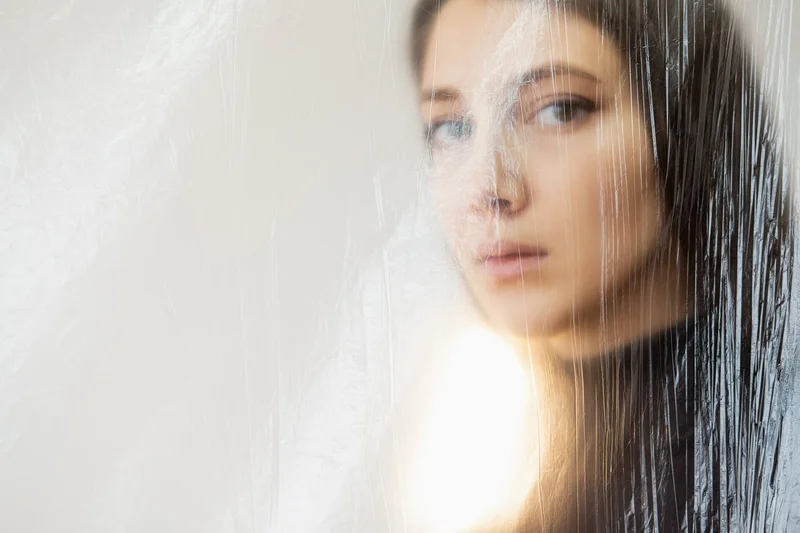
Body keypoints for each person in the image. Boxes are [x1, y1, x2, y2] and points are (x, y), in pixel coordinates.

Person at [407, 0, 795, 530]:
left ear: (686, 119)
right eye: (450, 128)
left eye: (560, 109)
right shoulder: (477, 458)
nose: (487, 189)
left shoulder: (769, 456)